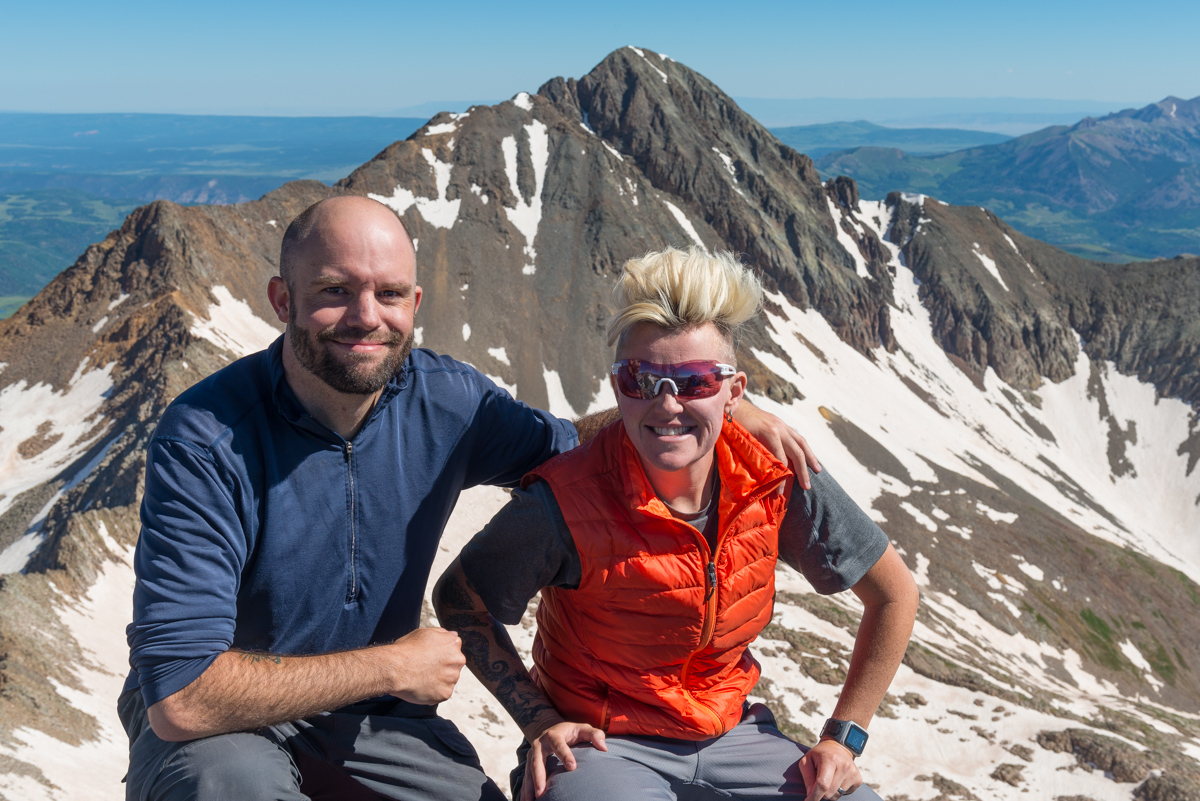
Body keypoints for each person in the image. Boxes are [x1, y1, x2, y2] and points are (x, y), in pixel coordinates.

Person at [120, 197, 820, 801]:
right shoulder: (207, 438)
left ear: (414, 304)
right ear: (282, 299)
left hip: (370, 717)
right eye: (335, 290)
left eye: (390, 293)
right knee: (235, 788)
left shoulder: (445, 400)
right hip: (226, 725)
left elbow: (572, 445)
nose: (367, 317)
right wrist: (394, 666)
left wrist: (706, 404)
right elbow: (183, 695)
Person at [434, 246, 919, 801]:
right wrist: (538, 721)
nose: (666, 405)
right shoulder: (562, 502)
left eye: (694, 382)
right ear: (618, 389)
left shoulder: (777, 478)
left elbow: (894, 595)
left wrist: (842, 739)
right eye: (641, 380)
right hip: (603, 745)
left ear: (735, 392)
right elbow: (460, 600)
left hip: (735, 734)